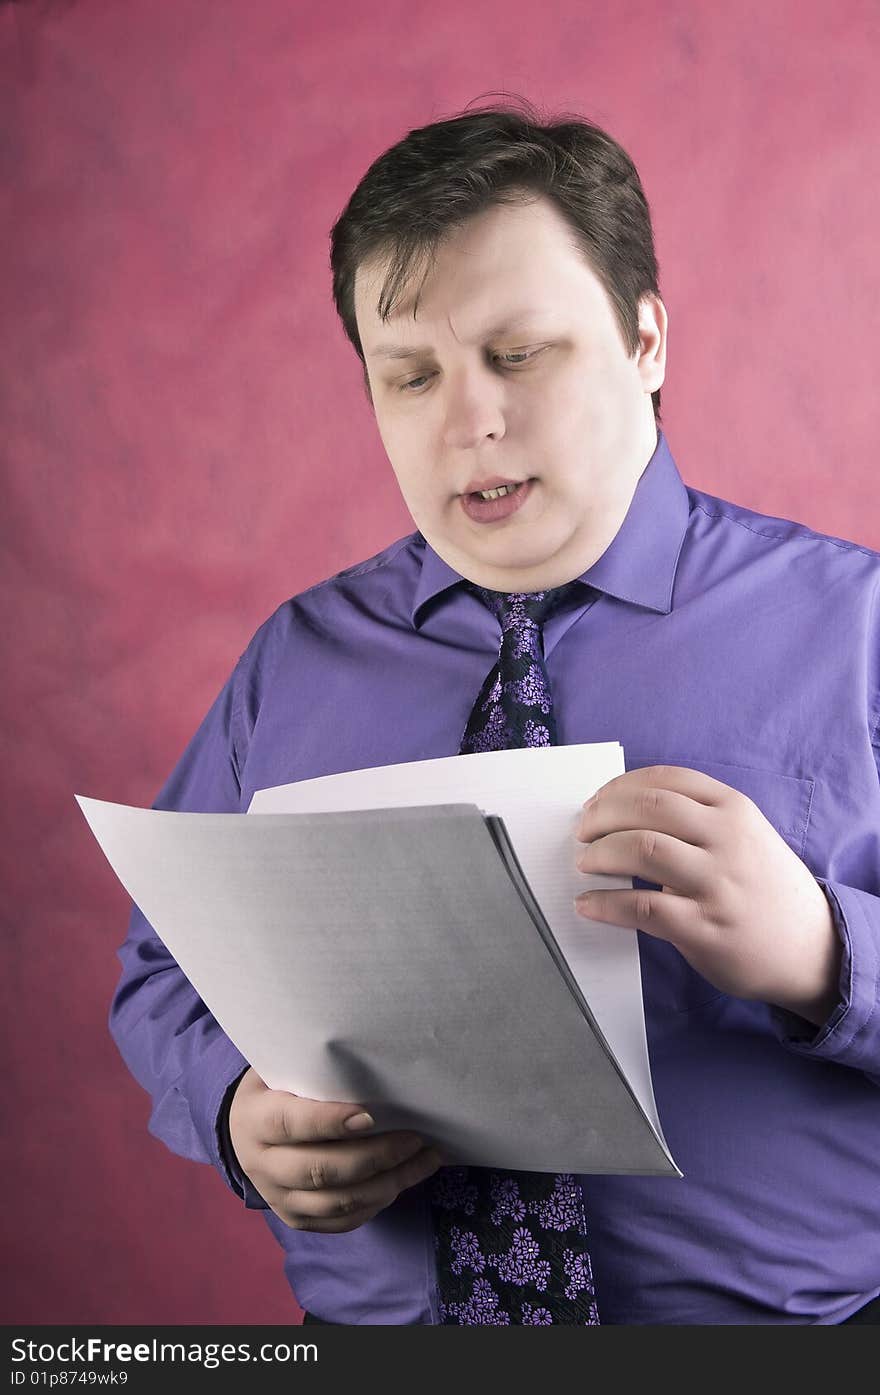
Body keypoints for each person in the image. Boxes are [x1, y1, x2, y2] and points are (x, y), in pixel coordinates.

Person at [109, 99, 880, 1325]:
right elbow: (160, 974)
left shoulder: (857, 629)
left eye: (518, 355)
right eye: (408, 375)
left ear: (644, 341)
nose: (467, 417)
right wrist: (232, 1112)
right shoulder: (294, 662)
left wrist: (823, 953)